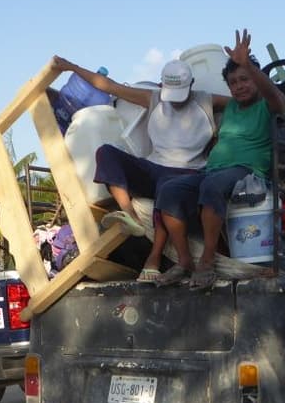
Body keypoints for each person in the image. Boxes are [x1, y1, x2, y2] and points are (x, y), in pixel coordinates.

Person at [49, 55, 225, 282]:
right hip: (155, 166)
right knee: (106, 153)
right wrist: (70, 67)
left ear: (191, 85)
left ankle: (154, 258)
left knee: (168, 188)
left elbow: (247, 100)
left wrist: (284, 104)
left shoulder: (207, 101)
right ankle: (129, 215)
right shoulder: (153, 99)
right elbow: (108, 85)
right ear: (162, 85)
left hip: (189, 171)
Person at [154, 30, 285, 289]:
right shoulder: (232, 106)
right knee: (168, 190)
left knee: (210, 187)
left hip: (247, 171)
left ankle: (207, 260)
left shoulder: (265, 106)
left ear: (257, 80)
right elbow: (192, 97)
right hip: (212, 171)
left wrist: (247, 63)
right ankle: (184, 261)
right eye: (234, 82)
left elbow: (279, 99)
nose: (240, 86)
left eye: (245, 79)